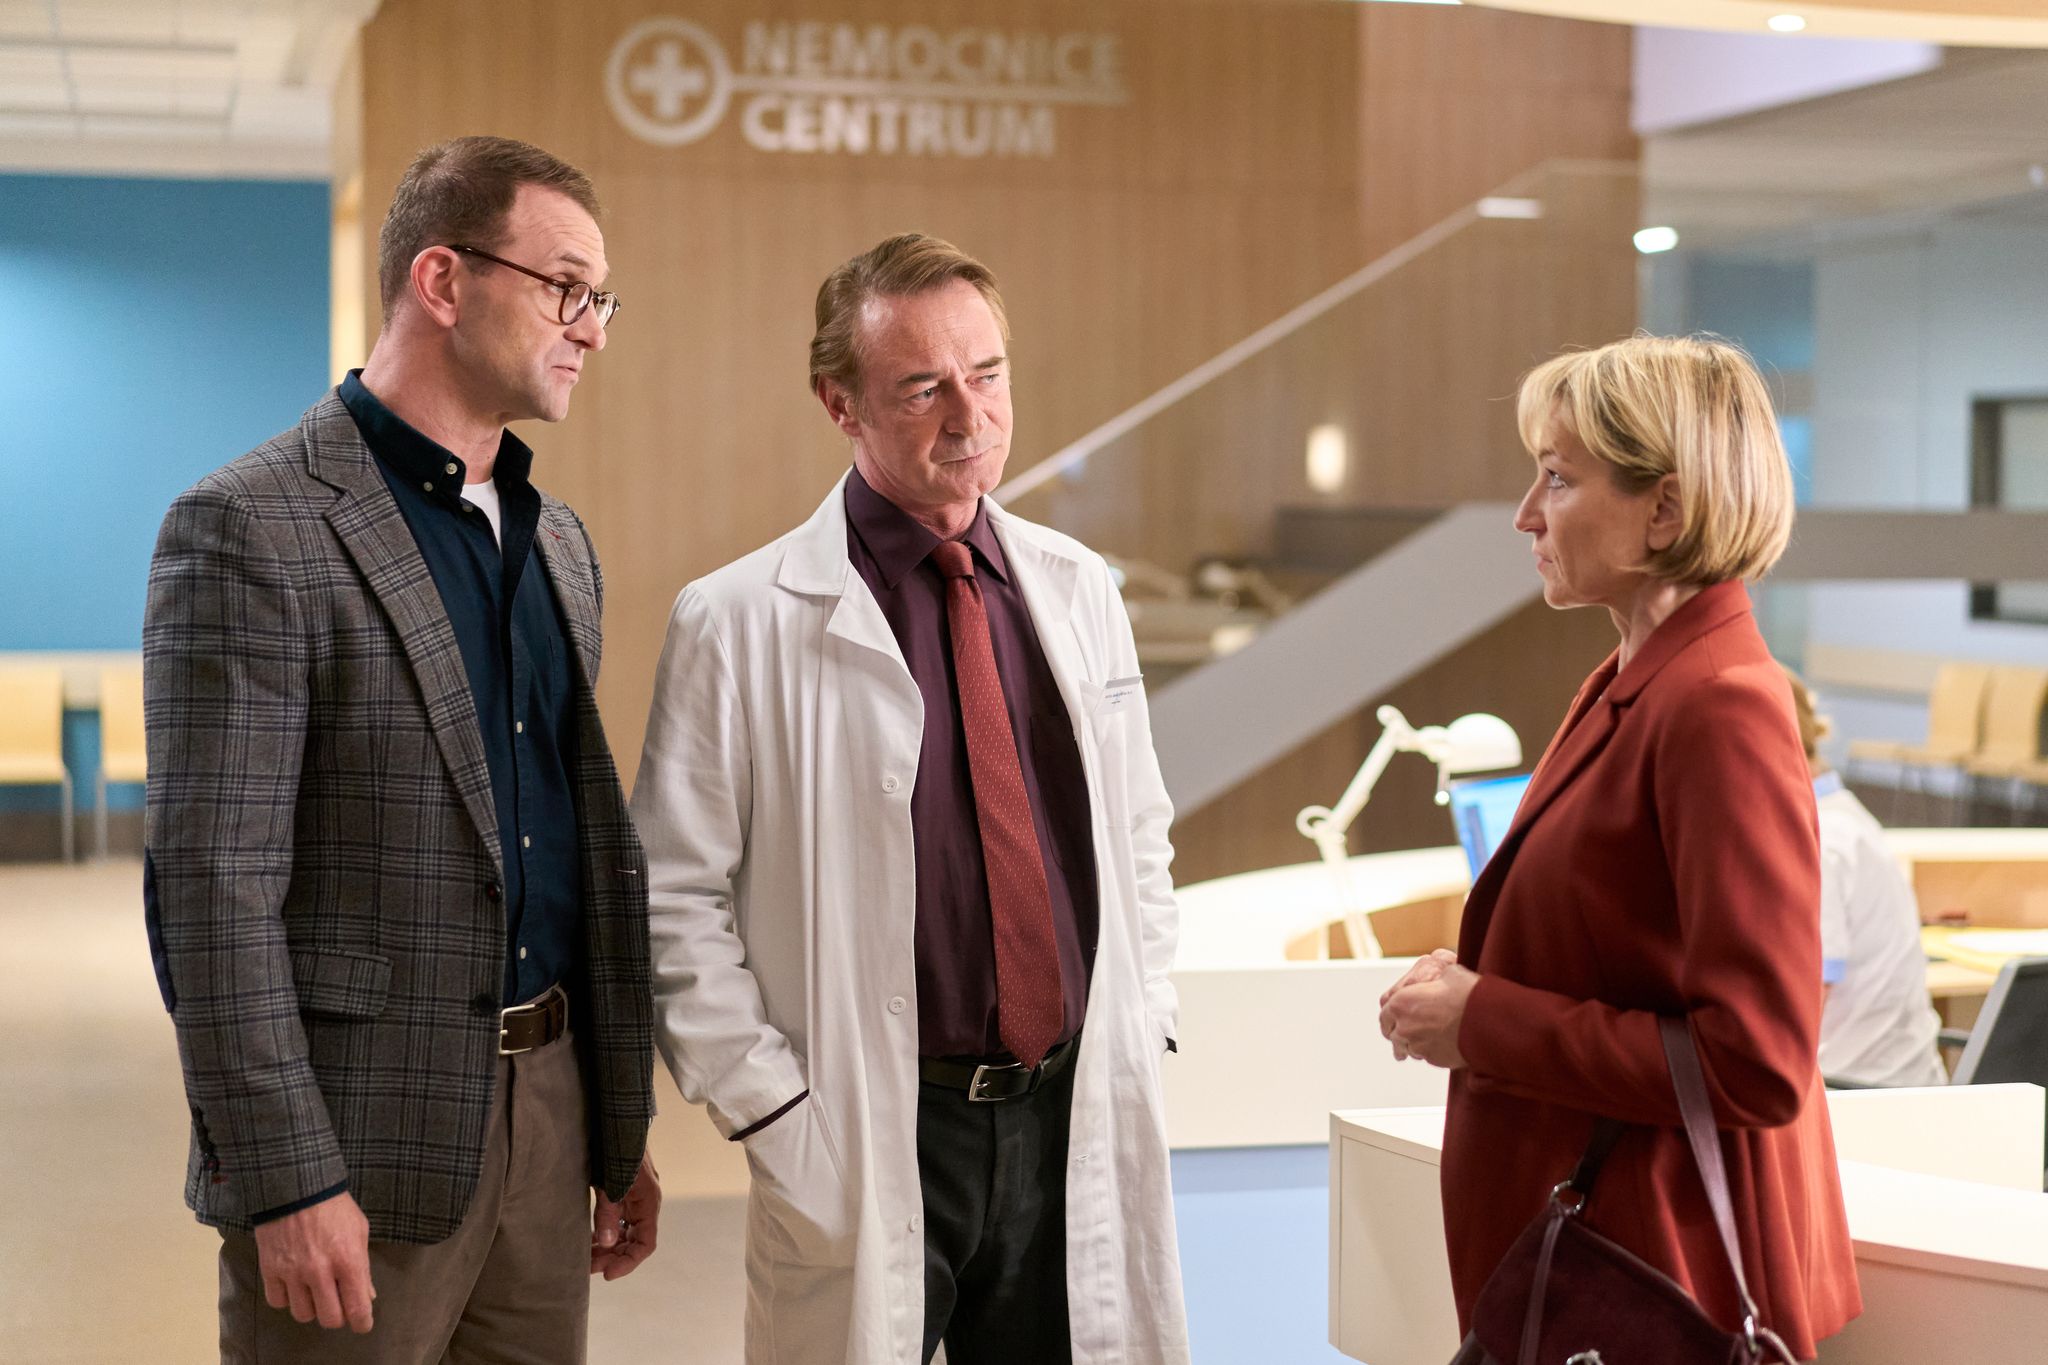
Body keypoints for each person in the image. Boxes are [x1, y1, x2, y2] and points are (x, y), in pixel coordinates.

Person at [143, 135, 659, 1363]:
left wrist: (610, 1122)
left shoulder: (557, 543)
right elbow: (213, 892)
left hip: (547, 1122)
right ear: (441, 281)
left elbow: (563, 849)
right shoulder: (251, 525)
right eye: (565, 288)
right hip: (357, 1144)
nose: (590, 329)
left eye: (601, 300)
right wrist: (284, 1176)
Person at [632, 233, 1189, 1365]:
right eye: (923, 388)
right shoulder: (736, 621)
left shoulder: (1077, 590)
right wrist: (774, 1111)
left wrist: (1150, 1012)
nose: (969, 417)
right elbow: (674, 897)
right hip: (878, 1123)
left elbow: (1138, 833)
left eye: (987, 374)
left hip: (1068, 1106)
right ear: (839, 403)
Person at [1377, 335, 1861, 1361]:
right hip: (1605, 1248)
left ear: (1665, 511)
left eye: (1556, 479)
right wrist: (1482, 982)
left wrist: (1482, 1019)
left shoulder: (1716, 703)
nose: (1526, 513)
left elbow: (1757, 1060)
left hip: (1652, 1266)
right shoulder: (1634, 678)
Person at [1782, 667, 1947, 1087]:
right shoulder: (1844, 816)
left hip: (1858, 1090)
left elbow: (1808, 1004)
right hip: (1900, 1082)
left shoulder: (1821, 841)